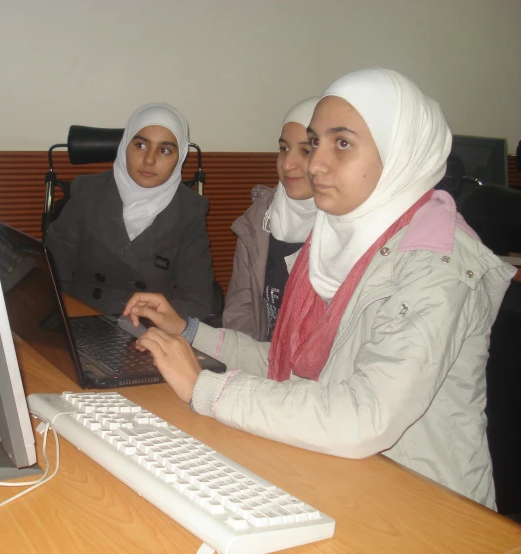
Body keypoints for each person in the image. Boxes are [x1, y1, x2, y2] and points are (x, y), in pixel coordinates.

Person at [123, 68, 517, 509]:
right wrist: (191, 331)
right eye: (316, 142)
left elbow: (364, 417)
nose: (314, 164)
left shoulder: (436, 262)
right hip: (341, 472)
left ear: (398, 151)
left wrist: (206, 387)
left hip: (423, 503)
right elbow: (286, 363)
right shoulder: (339, 237)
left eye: (341, 143)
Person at [45, 103, 214, 319]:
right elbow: (51, 273)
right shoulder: (87, 192)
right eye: (141, 145)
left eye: (164, 150)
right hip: (82, 317)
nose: (149, 160)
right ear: (125, 146)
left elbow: (198, 301)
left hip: (149, 327)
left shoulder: (191, 211)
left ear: (179, 157)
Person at [223, 97, 318, 341]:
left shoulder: (348, 227)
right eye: (284, 149)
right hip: (260, 364)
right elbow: (240, 310)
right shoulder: (259, 219)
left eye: (306, 151)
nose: (287, 164)